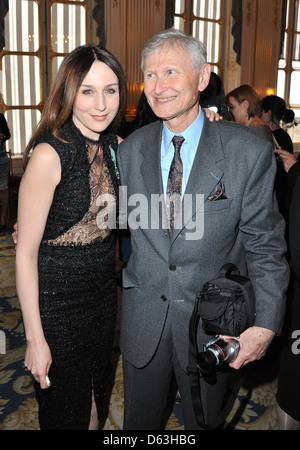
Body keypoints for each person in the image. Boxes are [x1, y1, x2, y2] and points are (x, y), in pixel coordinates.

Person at [117, 29, 289, 430]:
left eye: (171, 72)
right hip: (144, 322)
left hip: (213, 323)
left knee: (203, 422)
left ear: (203, 76)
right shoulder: (130, 150)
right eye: (150, 75)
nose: (158, 88)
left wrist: (265, 324)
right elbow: (101, 213)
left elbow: (265, 243)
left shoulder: (248, 151)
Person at [14, 44, 127, 430]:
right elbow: (25, 254)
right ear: (69, 93)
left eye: (110, 90)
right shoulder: (51, 153)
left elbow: (126, 216)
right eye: (88, 91)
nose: (101, 104)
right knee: (65, 411)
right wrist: (34, 338)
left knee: (95, 399)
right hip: (57, 302)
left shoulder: (115, 147)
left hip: (101, 297)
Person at [261, 95, 295, 220]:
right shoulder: (285, 136)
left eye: (262, 112)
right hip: (283, 191)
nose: (260, 115)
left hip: (276, 192)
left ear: (268, 113)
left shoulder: (270, 137)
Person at [0, 112, 11, 229]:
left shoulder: (0, 117)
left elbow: (8, 135)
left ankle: (2, 218)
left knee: (3, 189)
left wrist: (2, 136)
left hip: (1, 159)